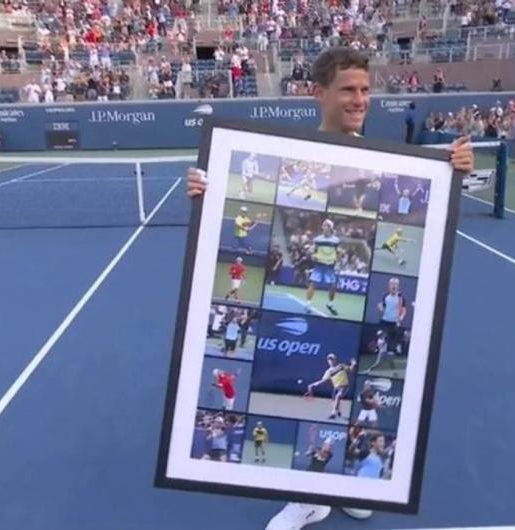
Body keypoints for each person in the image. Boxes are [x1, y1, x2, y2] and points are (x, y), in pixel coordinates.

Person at [186, 46, 474, 530]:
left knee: (361, 394)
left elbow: (424, 218)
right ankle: (306, 497)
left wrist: (454, 172)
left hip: (361, 307)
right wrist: (205, 189)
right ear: (319, 93)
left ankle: (350, 485)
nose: (360, 99)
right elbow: (242, 207)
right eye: (348, 90)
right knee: (312, 391)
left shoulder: (391, 164)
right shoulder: (291, 157)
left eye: (365, 90)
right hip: (318, 306)